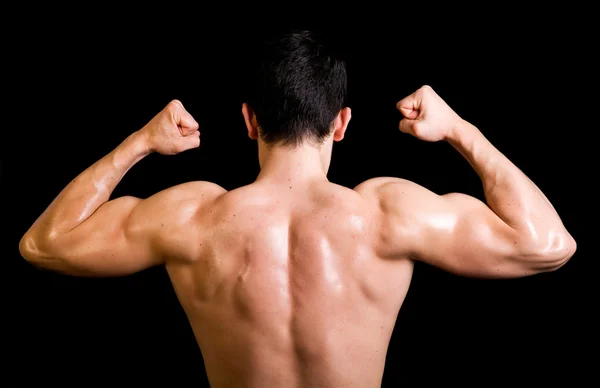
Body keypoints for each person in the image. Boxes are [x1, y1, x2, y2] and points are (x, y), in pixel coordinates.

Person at [19, 30, 576, 388]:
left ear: (249, 121)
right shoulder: (387, 213)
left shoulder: (193, 217)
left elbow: (44, 243)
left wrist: (138, 142)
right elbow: (548, 245)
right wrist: (459, 130)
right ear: (341, 123)